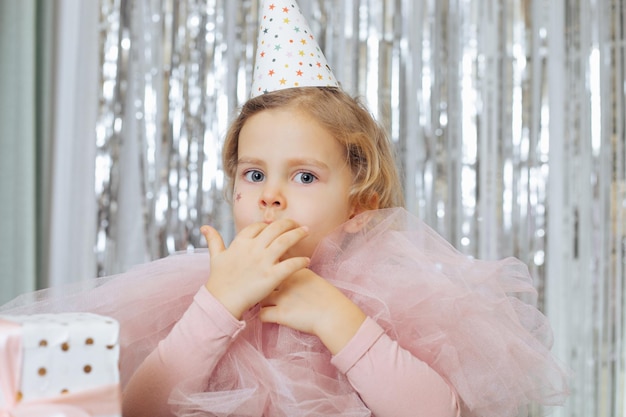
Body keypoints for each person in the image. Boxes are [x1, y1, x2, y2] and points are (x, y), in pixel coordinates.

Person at [0, 1, 569, 416]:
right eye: (254, 174)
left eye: (303, 175)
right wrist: (217, 305)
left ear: (361, 205)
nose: (271, 193)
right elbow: (140, 410)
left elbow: (437, 412)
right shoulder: (194, 296)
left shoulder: (397, 299)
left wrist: (331, 313)